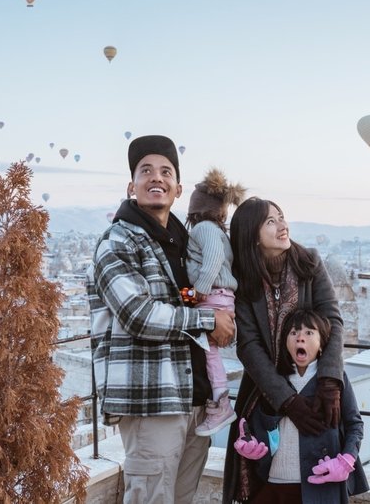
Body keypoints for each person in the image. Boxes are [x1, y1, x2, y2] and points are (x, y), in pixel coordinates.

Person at [87, 134, 236, 504]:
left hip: (195, 399)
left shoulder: (185, 244)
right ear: (131, 185)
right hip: (150, 400)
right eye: (146, 171)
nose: (157, 178)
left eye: (166, 171)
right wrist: (207, 321)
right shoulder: (117, 242)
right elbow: (138, 315)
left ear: (178, 188)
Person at [222, 197, 345, 504]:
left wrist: (329, 381)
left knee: (316, 473)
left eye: (282, 217)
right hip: (265, 394)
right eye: (271, 221)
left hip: (314, 383)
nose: (282, 225)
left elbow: (333, 321)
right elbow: (248, 346)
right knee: (268, 475)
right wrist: (286, 400)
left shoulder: (310, 263)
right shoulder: (243, 280)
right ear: (252, 234)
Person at [233, 308, 369, 503]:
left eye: (309, 332)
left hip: (320, 484)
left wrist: (347, 459)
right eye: (294, 332)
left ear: (322, 343)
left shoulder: (335, 379)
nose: (300, 338)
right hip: (275, 482)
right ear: (285, 342)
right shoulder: (273, 381)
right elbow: (258, 423)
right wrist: (250, 442)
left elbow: (354, 424)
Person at [185, 167, 246, 437]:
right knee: (208, 353)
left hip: (213, 298)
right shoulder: (215, 230)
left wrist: (198, 291)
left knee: (208, 354)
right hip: (220, 298)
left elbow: (211, 263)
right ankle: (219, 401)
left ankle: (221, 404)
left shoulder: (205, 229)